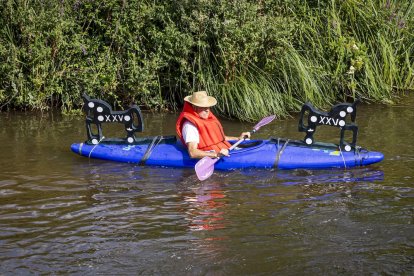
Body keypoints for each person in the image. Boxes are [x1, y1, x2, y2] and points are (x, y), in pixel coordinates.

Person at [176, 91, 250, 159]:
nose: (207, 110)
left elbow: (218, 139)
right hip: (216, 154)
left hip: (226, 150)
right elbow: (193, 152)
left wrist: (238, 138)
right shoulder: (189, 126)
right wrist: (216, 154)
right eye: (203, 107)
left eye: (208, 107)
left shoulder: (206, 119)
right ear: (194, 107)